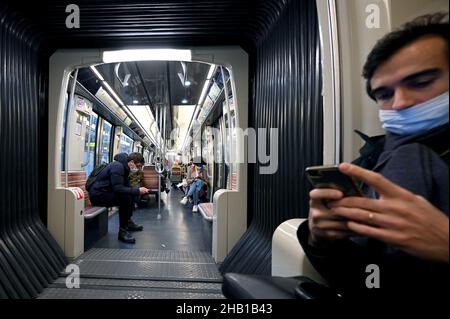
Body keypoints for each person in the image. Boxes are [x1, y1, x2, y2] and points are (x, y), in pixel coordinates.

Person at [299, 12, 449, 297]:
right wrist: (323, 240)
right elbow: (365, 280)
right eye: (384, 94)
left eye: (421, 82)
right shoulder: (372, 163)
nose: (401, 103)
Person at [88, 152, 149, 244]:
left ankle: (128, 222)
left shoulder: (124, 167)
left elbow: (127, 187)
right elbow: (118, 188)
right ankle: (122, 232)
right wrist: (137, 191)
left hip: (105, 193)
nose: (139, 169)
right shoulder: (118, 167)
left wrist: (136, 191)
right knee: (125, 197)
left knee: (130, 194)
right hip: (97, 196)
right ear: (131, 162)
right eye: (138, 166)